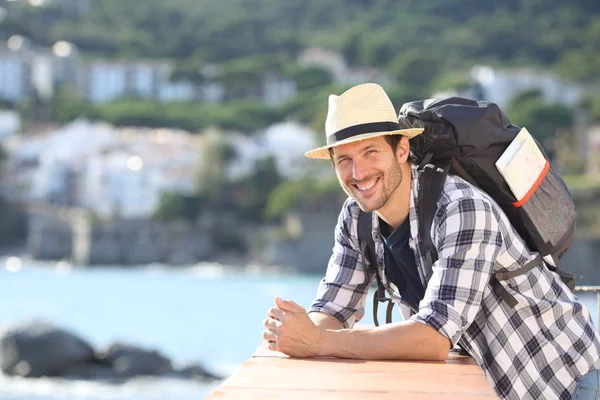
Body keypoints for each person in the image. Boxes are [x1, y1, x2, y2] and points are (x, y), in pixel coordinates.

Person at [262, 83, 600, 400]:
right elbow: (333, 309)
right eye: (344, 161)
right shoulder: (356, 217)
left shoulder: (460, 207)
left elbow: (434, 337)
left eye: (369, 152)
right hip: (498, 385)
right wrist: (300, 332)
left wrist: (319, 341)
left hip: (566, 380)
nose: (358, 172)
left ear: (401, 149)